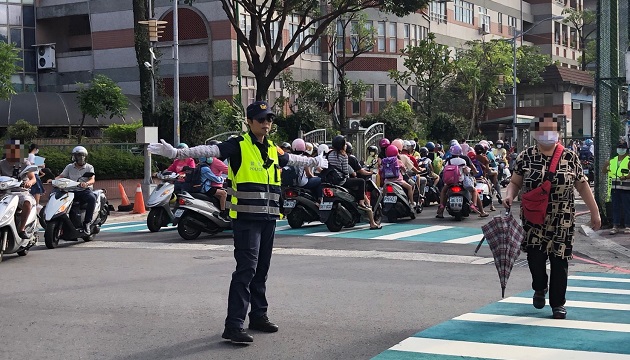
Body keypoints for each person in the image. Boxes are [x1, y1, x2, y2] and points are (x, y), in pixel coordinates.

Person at [148, 101, 328, 344]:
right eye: (262, 119)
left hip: (268, 218)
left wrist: (314, 162)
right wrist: (178, 154)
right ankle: (233, 326)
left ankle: (258, 315)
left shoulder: (273, 149)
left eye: (270, 119)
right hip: (246, 219)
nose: (267, 123)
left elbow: (294, 160)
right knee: (246, 270)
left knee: (261, 270)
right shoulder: (238, 145)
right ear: (250, 122)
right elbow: (209, 151)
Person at [503, 114, 601, 320]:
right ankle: (539, 288)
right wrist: (509, 196)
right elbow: (515, 183)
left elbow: (582, 185)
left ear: (558, 132)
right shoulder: (525, 156)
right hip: (534, 220)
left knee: (560, 261)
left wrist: (595, 211)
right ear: (535, 133)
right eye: (543, 129)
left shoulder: (569, 157)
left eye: (551, 129)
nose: (547, 133)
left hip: (563, 219)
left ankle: (558, 304)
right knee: (535, 259)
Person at [326, 135, 381, 229]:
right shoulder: (344, 156)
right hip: (341, 181)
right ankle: (361, 202)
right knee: (361, 182)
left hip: (330, 181)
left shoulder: (329, 154)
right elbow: (346, 172)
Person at [436, 144, 486, 218]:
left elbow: (444, 170)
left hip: (451, 182)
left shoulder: (448, 160)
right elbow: (467, 170)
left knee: (444, 191)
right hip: (462, 182)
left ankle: (441, 209)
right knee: (474, 190)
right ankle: (476, 207)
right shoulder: (464, 160)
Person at [56, 146, 97, 235]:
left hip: (84, 190)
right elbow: (62, 176)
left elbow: (92, 179)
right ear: (74, 157)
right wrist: (54, 180)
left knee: (92, 198)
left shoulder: (89, 167)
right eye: (79, 156)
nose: (81, 158)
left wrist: (86, 184)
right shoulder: (69, 167)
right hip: (71, 191)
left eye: (83, 156)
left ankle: (87, 223)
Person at [0, 140, 36, 239]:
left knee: (27, 202)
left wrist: (29, 182)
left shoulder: (25, 163)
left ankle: (22, 228)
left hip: (20, 191)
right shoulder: (1, 163)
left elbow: (33, 179)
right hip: (4, 192)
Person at [604, 141, 630, 234]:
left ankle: (628, 225)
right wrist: (606, 166)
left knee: (627, 207)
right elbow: (605, 171)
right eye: (619, 147)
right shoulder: (613, 160)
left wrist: (626, 177)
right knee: (615, 207)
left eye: (622, 148)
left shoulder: (629, 160)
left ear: (626, 149)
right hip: (615, 188)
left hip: (626, 188)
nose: (621, 149)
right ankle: (615, 225)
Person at [198, 156, 229, 221]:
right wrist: (222, 179)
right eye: (208, 157)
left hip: (204, 187)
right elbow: (215, 179)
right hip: (206, 188)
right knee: (224, 193)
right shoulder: (205, 168)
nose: (210, 158)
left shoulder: (199, 166)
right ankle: (223, 213)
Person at [26, 143, 45, 208]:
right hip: (34, 174)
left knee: (33, 190)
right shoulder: (32, 156)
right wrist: (41, 165)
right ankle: (37, 204)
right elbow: (31, 165)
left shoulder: (28, 155)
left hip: (31, 174)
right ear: (35, 149)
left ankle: (35, 203)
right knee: (38, 190)